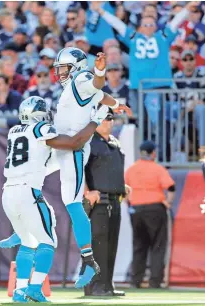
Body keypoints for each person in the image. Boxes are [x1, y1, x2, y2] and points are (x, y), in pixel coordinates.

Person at [0, 47, 132, 289]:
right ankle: (23, 228)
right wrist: (117, 104)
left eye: (63, 67)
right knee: (29, 176)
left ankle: (89, 260)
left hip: (73, 149)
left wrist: (100, 70)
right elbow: (101, 95)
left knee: (72, 203)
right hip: (61, 146)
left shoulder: (81, 79)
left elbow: (95, 82)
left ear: (76, 67)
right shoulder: (76, 88)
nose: (59, 72)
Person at [2, 96, 109, 302]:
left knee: (28, 242)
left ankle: (19, 290)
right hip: (28, 191)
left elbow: (42, 159)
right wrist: (96, 120)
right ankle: (34, 288)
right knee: (48, 242)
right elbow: (73, 143)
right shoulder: (40, 129)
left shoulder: (13, 131)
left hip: (8, 192)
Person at [83, 109, 128, 297]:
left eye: (111, 118)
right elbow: (79, 169)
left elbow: (110, 169)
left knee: (110, 245)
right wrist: (86, 192)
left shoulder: (114, 142)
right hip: (97, 202)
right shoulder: (88, 142)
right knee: (97, 244)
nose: (109, 121)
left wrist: (122, 185)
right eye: (105, 118)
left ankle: (107, 285)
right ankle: (93, 286)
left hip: (114, 200)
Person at [124, 141, 175, 288]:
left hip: (136, 209)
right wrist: (168, 202)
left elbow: (123, 189)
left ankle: (136, 280)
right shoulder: (157, 169)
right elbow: (171, 187)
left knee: (139, 245)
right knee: (158, 245)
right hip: (155, 209)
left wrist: (130, 202)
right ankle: (155, 281)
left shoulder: (131, 170)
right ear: (153, 153)